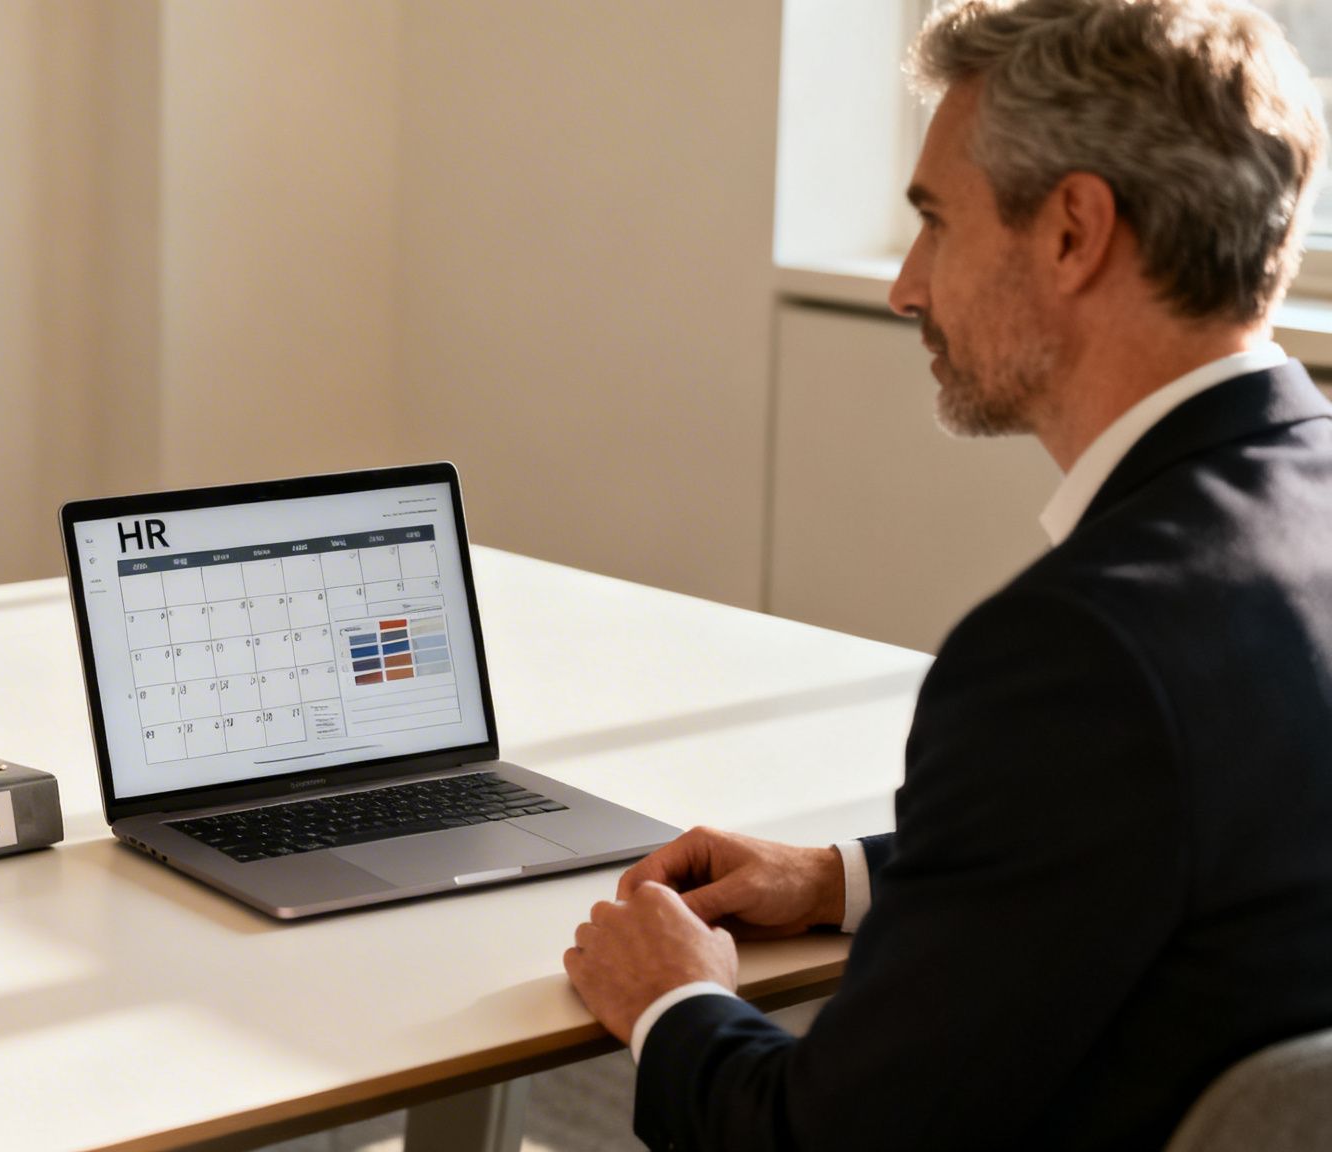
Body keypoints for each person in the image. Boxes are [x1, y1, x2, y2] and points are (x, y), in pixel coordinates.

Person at [563, 0, 1332, 1147]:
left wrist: (671, 999)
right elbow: (1190, 844)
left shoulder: (1078, 651)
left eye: (932, 221)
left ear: (1072, 229)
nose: (902, 285)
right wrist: (842, 880)